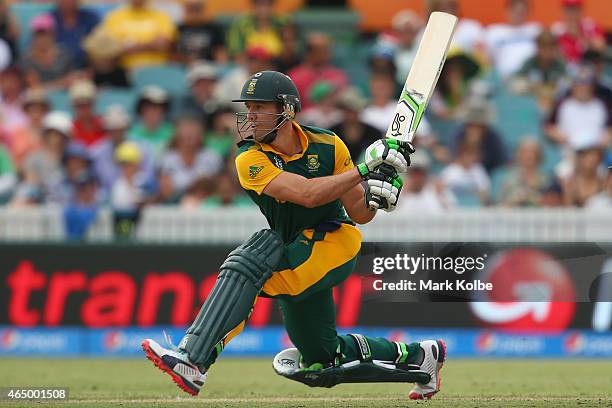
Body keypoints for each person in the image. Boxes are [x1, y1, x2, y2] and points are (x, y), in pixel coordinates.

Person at [142, 70, 446, 400]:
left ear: (286, 110)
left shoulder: (328, 145)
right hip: (293, 246)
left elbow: (360, 214)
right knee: (321, 359)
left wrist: (376, 195)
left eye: (260, 107)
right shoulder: (249, 158)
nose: (250, 115)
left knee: (247, 266)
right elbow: (307, 194)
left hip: (334, 242)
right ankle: (421, 358)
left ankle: (194, 359)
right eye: (249, 107)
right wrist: (364, 170)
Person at [92, 105, 155, 197]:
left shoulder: (143, 148)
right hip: (107, 202)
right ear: (107, 130)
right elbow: (98, 184)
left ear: (126, 128)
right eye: (113, 129)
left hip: (138, 198)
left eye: (120, 129)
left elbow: (148, 177)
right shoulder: (97, 153)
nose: (116, 133)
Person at [101, 0, 177, 71]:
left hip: (157, 70)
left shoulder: (161, 16)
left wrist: (130, 46)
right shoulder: (114, 17)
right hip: (124, 70)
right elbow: (112, 48)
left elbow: (163, 45)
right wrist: (151, 44)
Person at [158, 116, 222, 200]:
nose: (189, 140)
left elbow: (219, 187)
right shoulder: (167, 158)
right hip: (175, 202)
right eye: (186, 136)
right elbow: (165, 191)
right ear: (178, 138)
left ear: (200, 137)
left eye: (193, 136)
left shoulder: (211, 157)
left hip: (207, 202)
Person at [510, 29, 567, 112]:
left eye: (550, 47)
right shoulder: (529, 63)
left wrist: (548, 91)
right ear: (537, 47)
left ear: (555, 48)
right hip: (531, 101)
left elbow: (566, 84)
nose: (547, 51)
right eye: (543, 46)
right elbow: (515, 80)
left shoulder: (560, 64)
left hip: (553, 103)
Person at [288, 32, 349, 110]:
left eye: (328, 49)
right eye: (322, 50)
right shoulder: (295, 77)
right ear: (310, 52)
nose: (328, 53)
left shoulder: (338, 75)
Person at [484, 0, 541, 78]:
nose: (518, 15)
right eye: (515, 11)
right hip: (504, 78)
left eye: (522, 12)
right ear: (507, 11)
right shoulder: (494, 32)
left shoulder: (536, 30)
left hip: (530, 77)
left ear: (528, 12)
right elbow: (487, 59)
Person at [21, 14, 77, 90]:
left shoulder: (64, 54)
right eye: (38, 33)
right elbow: (34, 86)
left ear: (53, 34)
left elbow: (71, 81)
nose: (41, 37)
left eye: (45, 33)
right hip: (38, 99)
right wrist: (61, 83)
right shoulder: (27, 58)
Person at [330, 86, 381, 161]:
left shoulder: (374, 133)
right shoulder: (332, 134)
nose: (350, 114)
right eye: (347, 110)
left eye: (353, 109)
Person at [496, 138, 549, 206]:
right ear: (518, 155)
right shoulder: (507, 180)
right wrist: (514, 200)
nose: (529, 156)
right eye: (524, 152)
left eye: (533, 152)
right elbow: (498, 208)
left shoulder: (547, 181)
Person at [552, 0, 606, 65]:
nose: (572, 13)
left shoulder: (589, 25)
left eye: (575, 9)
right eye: (569, 9)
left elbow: (601, 47)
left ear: (581, 10)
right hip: (565, 69)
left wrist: (578, 35)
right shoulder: (556, 30)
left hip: (588, 67)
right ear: (563, 10)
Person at [51, 0, 100, 68]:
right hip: (56, 70)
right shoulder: (48, 20)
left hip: (87, 67)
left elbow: (99, 48)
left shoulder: (91, 19)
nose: (68, 2)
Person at [129, 86, 174, 155]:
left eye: (157, 108)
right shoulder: (130, 135)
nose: (153, 112)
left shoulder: (173, 133)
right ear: (141, 110)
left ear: (164, 111)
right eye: (148, 108)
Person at [69, 80, 104, 146]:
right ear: (73, 106)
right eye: (79, 106)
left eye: (87, 104)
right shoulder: (69, 129)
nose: (84, 109)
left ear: (94, 104)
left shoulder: (104, 124)